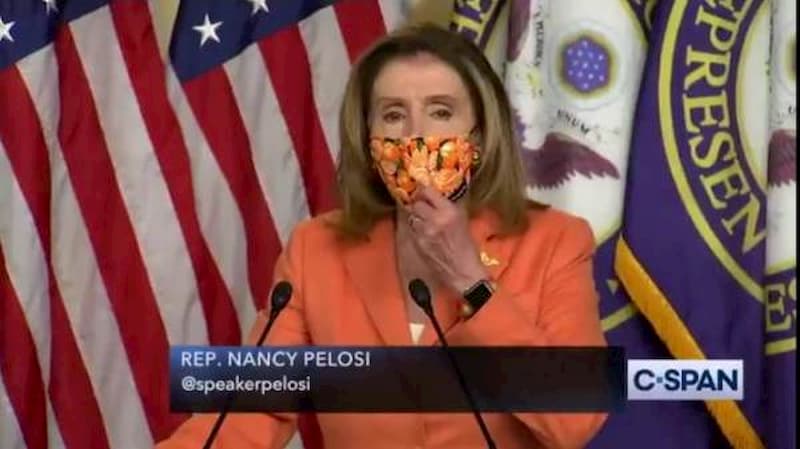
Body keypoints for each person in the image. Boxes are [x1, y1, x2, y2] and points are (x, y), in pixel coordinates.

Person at [157, 23, 607, 449]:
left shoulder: (555, 242)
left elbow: (575, 420)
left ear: (481, 136)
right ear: (369, 141)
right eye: (393, 115)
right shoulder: (315, 249)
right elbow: (253, 409)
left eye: (441, 112)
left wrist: (472, 280)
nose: (415, 135)